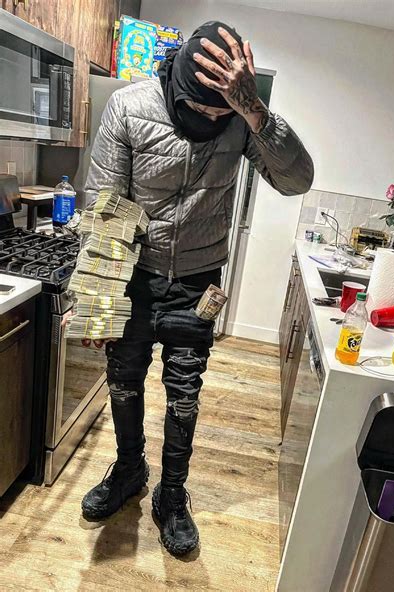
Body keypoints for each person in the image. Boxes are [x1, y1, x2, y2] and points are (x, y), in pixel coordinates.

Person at [79, 21, 313, 556]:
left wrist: (253, 112)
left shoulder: (241, 119)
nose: (210, 120)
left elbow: (297, 179)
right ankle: (129, 470)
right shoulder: (128, 107)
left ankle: (172, 494)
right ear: (176, 83)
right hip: (134, 277)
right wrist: (97, 300)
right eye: (199, 109)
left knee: (184, 394)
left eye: (219, 113)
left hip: (198, 284)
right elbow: (104, 206)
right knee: (123, 382)